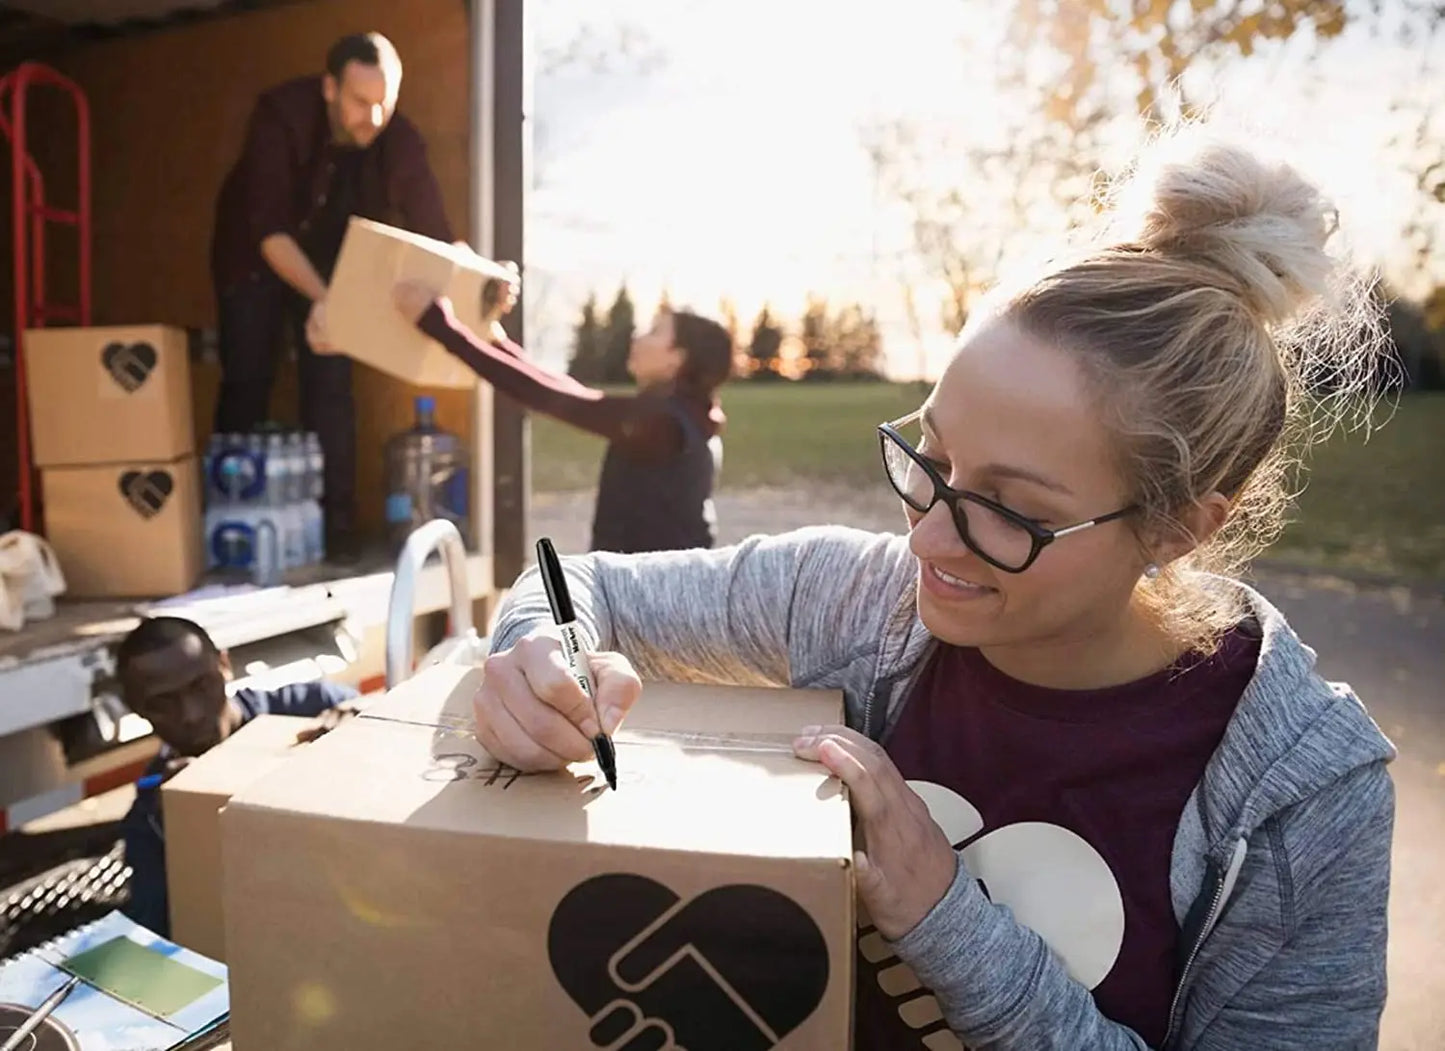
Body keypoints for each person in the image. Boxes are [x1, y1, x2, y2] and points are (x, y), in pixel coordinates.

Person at [468, 129, 1396, 1049]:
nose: (922, 533)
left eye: (1009, 508)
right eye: (934, 457)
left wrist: (948, 919)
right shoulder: (853, 599)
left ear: (1180, 526)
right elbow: (575, 581)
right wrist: (532, 653)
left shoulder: (1303, 798)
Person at [209, 31, 470, 563]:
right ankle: (230, 524)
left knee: (331, 385)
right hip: (255, 253)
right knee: (248, 371)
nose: (373, 119)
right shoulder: (280, 115)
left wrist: (482, 281)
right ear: (330, 88)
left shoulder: (397, 139)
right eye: (359, 103)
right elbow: (270, 234)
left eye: (384, 104)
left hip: (332, 262)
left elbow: (437, 234)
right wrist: (329, 302)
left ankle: (338, 529)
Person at [393, 280, 735, 554]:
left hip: (655, 607)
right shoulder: (685, 416)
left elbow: (552, 398)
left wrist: (438, 325)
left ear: (678, 360)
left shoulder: (663, 425)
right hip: (660, 596)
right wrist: (498, 345)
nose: (638, 338)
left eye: (655, 332)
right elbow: (568, 390)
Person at [116, 616, 360, 937]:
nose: (191, 713)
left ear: (225, 665)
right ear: (135, 708)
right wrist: (179, 833)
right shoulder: (152, 814)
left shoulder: (308, 710)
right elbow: (160, 926)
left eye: (201, 686)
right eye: (164, 703)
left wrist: (368, 725)